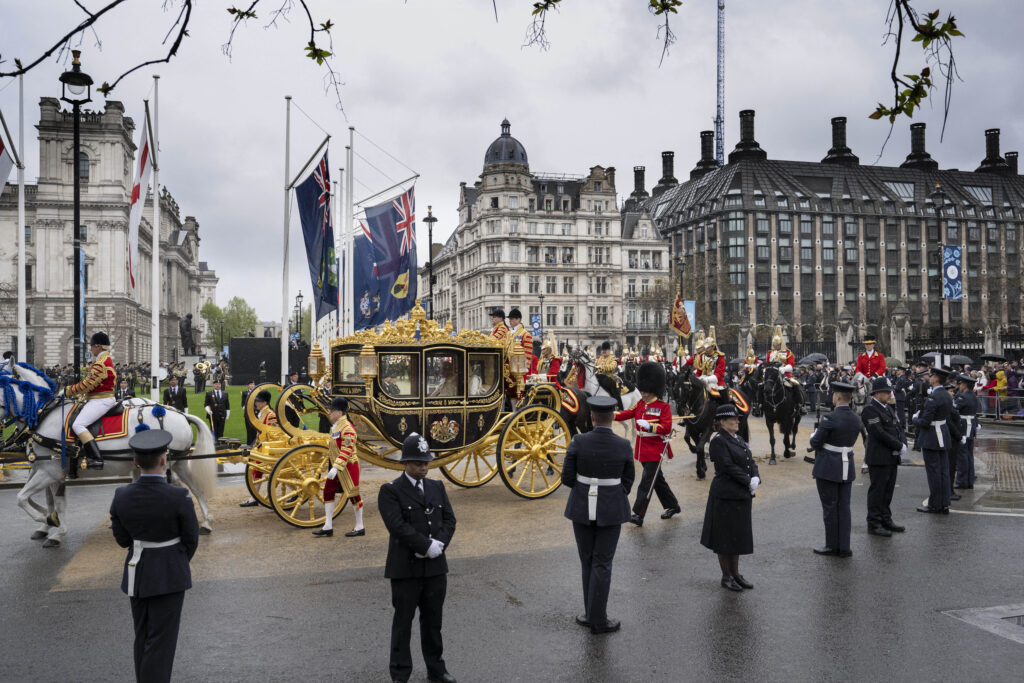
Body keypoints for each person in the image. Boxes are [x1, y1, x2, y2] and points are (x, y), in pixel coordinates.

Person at [110, 429, 199, 683]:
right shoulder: (179, 496)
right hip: (169, 574)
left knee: (144, 638)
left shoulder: (121, 495)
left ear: (135, 462)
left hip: (136, 574)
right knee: (161, 643)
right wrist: (175, 561)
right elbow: (191, 539)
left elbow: (122, 540)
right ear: (164, 460)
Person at [378, 433, 457, 683]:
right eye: (418, 462)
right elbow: (397, 525)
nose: (424, 466)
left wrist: (439, 545)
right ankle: (400, 673)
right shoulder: (390, 491)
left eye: (426, 462)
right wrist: (424, 545)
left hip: (435, 568)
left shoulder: (437, 486)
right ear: (405, 463)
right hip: (406, 569)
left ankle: (437, 669)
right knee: (403, 624)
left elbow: (449, 520)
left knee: (433, 622)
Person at [561, 395, 635, 633]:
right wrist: (612, 493)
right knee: (602, 562)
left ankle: (590, 614)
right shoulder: (623, 445)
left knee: (587, 561)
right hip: (611, 508)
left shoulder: (578, 441)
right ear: (613, 418)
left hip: (582, 506)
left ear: (591, 417)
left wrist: (586, 490)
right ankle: (598, 619)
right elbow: (628, 480)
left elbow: (567, 478)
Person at [700, 404, 760, 591]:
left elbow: (749, 460)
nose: (737, 421)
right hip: (726, 494)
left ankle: (735, 573)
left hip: (740, 493)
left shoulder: (738, 438)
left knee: (737, 537)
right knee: (724, 538)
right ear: (722, 422)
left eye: (737, 419)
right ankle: (726, 576)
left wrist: (756, 476)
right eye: (733, 419)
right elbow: (727, 466)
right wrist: (747, 480)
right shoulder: (719, 441)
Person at [615, 361, 679, 526]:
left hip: (655, 450)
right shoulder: (641, 404)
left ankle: (638, 514)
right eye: (641, 391)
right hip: (643, 449)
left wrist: (650, 426)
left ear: (653, 390)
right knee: (657, 481)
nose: (642, 394)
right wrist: (610, 415)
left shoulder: (663, 407)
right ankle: (673, 505)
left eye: (645, 391)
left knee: (646, 482)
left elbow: (666, 428)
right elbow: (628, 413)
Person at [809, 381, 862, 557]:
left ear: (838, 396)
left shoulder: (829, 418)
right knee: (844, 507)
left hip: (829, 467)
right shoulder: (856, 418)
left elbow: (815, 443)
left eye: (833, 394)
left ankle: (832, 545)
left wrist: (813, 436)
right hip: (847, 466)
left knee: (830, 507)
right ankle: (844, 546)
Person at [861, 377, 907, 537]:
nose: (889, 394)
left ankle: (886, 519)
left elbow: (897, 427)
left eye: (889, 392)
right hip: (879, 457)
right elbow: (879, 432)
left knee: (888, 491)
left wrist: (903, 441)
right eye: (886, 392)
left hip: (891, 456)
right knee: (877, 491)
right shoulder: (870, 409)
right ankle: (874, 523)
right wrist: (898, 445)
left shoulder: (887, 408)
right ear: (877, 393)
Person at [65, 331, 118, 469]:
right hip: (98, 398)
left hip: (101, 400)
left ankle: (96, 458)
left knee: (78, 425)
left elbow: (87, 384)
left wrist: (68, 391)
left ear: (98, 346)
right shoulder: (103, 360)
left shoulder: (101, 363)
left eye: (92, 346)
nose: (90, 349)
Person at [313, 397, 365, 538]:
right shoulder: (336, 426)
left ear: (339, 412)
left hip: (348, 466)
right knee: (328, 492)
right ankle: (328, 525)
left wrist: (336, 467)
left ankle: (360, 526)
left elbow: (347, 450)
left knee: (353, 495)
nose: (329, 412)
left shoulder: (347, 428)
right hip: (336, 466)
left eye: (332, 410)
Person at [913, 367, 955, 514]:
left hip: (932, 437)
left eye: (931, 376)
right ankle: (944, 503)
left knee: (934, 473)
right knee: (943, 471)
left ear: (935, 379)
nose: (929, 378)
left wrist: (915, 419)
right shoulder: (947, 395)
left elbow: (925, 422)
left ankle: (935, 504)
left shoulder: (933, 397)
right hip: (942, 435)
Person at [239, 390, 278, 507]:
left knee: (257, 469)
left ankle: (253, 498)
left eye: (258, 401)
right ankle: (254, 497)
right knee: (256, 469)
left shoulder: (270, 414)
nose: (256, 403)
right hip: (261, 446)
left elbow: (273, 433)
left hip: (267, 447)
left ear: (264, 402)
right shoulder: (263, 413)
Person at [954, 373, 979, 490]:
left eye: (961, 384)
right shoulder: (973, 396)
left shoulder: (963, 397)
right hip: (971, 427)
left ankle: (962, 480)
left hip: (964, 427)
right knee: (969, 455)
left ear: (964, 385)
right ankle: (969, 479)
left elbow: (953, 409)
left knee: (962, 455)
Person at [240, 380, 258, 446]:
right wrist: (247, 410)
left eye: (253, 384)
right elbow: (243, 404)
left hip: (256, 414)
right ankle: (249, 443)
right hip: (248, 414)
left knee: (255, 429)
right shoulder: (245, 393)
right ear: (248, 386)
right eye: (250, 384)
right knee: (249, 429)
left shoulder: (258, 392)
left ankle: (255, 443)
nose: (252, 385)